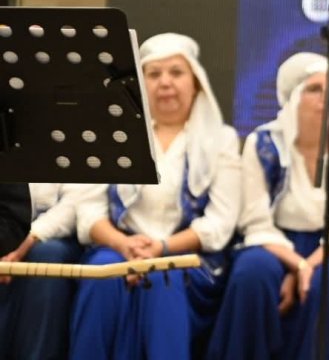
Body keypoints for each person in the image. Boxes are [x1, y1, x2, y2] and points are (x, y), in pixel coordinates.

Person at [207, 52, 329, 360]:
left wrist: (308, 266)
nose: (325, 98)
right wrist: (298, 264)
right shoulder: (262, 143)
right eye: (314, 90)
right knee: (252, 274)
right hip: (274, 245)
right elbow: (255, 220)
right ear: (292, 97)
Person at [70, 33, 241, 359]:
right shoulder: (113, 136)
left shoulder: (222, 140)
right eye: (154, 74)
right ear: (140, 84)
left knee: (164, 279)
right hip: (119, 249)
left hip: (187, 260)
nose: (165, 83)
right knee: (104, 275)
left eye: (176, 73)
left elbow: (219, 223)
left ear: (196, 83)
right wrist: (125, 246)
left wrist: (161, 250)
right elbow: (88, 210)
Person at [0, 183, 86, 359]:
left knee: (46, 255)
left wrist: (28, 240)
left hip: (56, 235)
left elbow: (75, 202)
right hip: (8, 223)